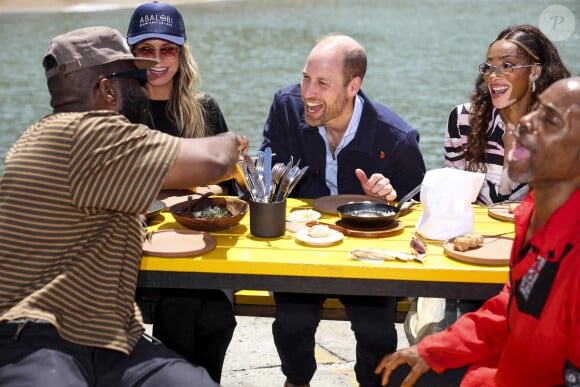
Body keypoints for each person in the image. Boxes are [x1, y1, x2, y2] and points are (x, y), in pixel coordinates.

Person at [0, 26, 248, 386]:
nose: (146, 86)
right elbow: (213, 160)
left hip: (109, 339)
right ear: (108, 89)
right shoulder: (93, 132)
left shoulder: (40, 135)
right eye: (136, 77)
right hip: (38, 335)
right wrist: (234, 141)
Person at [375, 76, 580, 387]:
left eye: (549, 120)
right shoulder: (531, 215)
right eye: (535, 110)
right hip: (508, 367)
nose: (526, 122)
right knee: (400, 372)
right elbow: (508, 311)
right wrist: (433, 350)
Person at [260, 33, 426, 387]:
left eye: (322, 83)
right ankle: (297, 380)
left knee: (376, 331)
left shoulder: (396, 137)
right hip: (301, 244)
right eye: (306, 78)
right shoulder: (286, 107)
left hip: (367, 250)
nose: (308, 92)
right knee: (291, 322)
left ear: (353, 86)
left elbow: (418, 207)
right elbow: (266, 173)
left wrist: (391, 199)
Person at [405, 24, 571, 345]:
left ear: (535, 71)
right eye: (489, 67)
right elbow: (452, 192)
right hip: (472, 253)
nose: (494, 75)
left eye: (507, 66)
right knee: (435, 330)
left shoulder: (554, 128)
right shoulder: (464, 120)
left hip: (529, 256)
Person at [126, 2, 236, 382]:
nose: (158, 59)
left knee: (217, 319)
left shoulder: (204, 110)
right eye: (146, 50)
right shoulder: (118, 112)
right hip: (137, 243)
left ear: (181, 54)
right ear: (131, 54)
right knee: (178, 312)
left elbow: (228, 190)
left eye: (168, 49)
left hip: (199, 240)